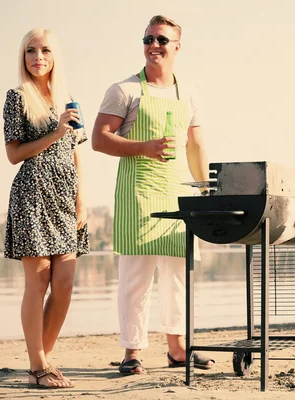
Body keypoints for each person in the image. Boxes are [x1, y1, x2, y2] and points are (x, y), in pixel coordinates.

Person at [92, 15, 214, 375]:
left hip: (179, 193)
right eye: (148, 39)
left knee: (179, 276)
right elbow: (99, 139)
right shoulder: (124, 90)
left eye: (161, 39)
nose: (153, 46)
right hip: (138, 193)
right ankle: (132, 352)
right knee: (135, 279)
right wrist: (145, 147)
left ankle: (178, 349)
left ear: (177, 46)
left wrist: (205, 190)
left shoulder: (188, 93)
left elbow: (196, 145)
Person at [3, 28, 89, 388]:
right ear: (23, 58)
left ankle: (40, 358)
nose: (38, 57)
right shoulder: (16, 97)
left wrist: (81, 200)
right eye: (31, 51)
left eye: (45, 50)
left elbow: (76, 153)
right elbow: (13, 155)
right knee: (37, 283)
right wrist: (53, 133)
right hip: (32, 195)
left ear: (55, 56)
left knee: (65, 283)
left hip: (65, 198)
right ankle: (39, 365)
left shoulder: (68, 98)